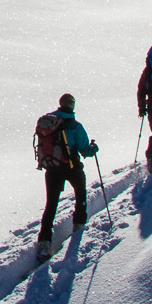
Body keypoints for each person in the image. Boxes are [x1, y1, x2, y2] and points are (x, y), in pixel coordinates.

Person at [34, 93, 99, 259]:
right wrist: (93, 149)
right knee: (80, 194)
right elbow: (84, 150)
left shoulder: (49, 122)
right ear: (72, 106)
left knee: (51, 204)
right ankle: (78, 226)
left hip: (52, 168)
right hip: (71, 167)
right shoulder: (74, 125)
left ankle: (44, 242)